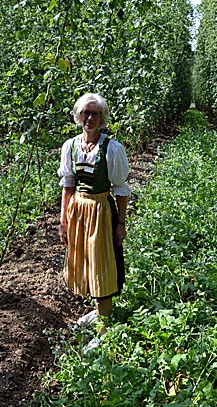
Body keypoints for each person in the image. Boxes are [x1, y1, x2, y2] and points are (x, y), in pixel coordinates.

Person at [58, 93, 131, 325]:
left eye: (95, 113)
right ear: (78, 116)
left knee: (102, 263)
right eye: (85, 113)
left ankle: (105, 325)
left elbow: (120, 187)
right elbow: (68, 185)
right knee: (85, 259)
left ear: (102, 117)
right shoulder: (70, 147)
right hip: (78, 211)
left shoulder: (111, 148)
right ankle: (98, 310)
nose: (89, 117)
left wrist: (121, 223)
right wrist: (63, 221)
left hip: (101, 211)